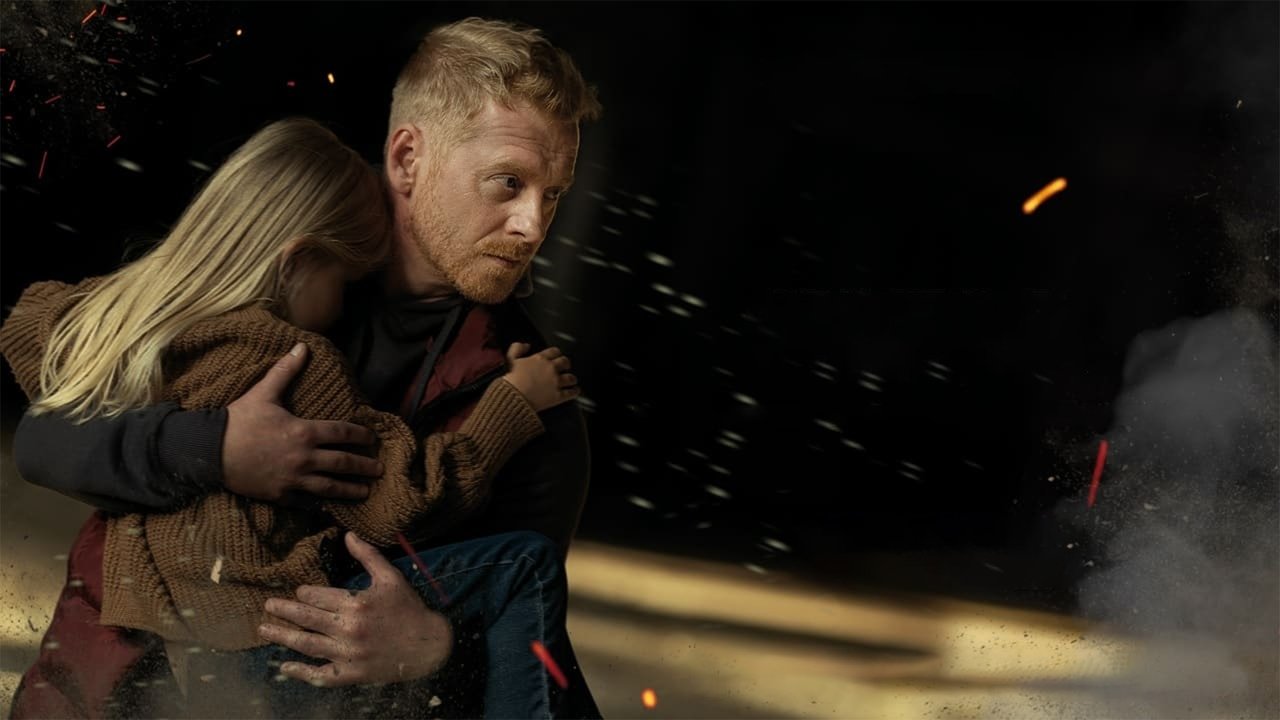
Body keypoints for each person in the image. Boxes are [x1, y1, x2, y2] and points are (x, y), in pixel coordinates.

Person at [6, 16, 603, 720]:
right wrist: (215, 449)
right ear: (408, 157)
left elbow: (521, 648)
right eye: (507, 182)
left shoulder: (538, 404)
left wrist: (438, 647)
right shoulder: (281, 261)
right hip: (98, 697)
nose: (533, 226)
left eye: (553, 194)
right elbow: (44, 439)